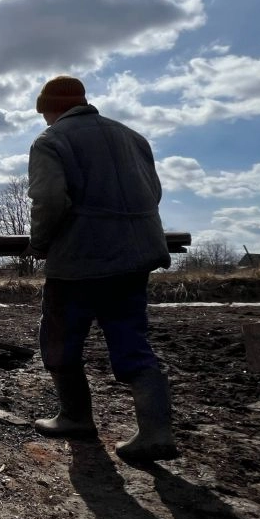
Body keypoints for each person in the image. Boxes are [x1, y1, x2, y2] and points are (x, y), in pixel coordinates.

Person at [25, 75, 178, 463]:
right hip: (136, 257)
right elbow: (153, 193)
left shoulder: (51, 140)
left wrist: (41, 244)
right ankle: (155, 431)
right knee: (131, 337)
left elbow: (48, 199)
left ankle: (75, 417)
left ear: (47, 109)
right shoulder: (133, 137)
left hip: (81, 258)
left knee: (59, 338)